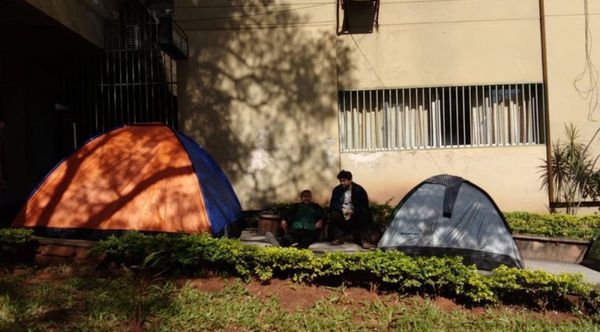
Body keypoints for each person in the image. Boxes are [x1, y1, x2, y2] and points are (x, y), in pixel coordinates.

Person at [329, 170, 375, 249]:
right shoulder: (337, 190)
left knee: (364, 214)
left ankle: (365, 241)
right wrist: (342, 209)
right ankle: (339, 237)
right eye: (341, 181)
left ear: (350, 180)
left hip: (355, 211)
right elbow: (334, 203)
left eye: (344, 181)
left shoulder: (359, 189)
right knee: (334, 214)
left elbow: (363, 204)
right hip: (343, 210)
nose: (342, 183)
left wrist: (352, 211)